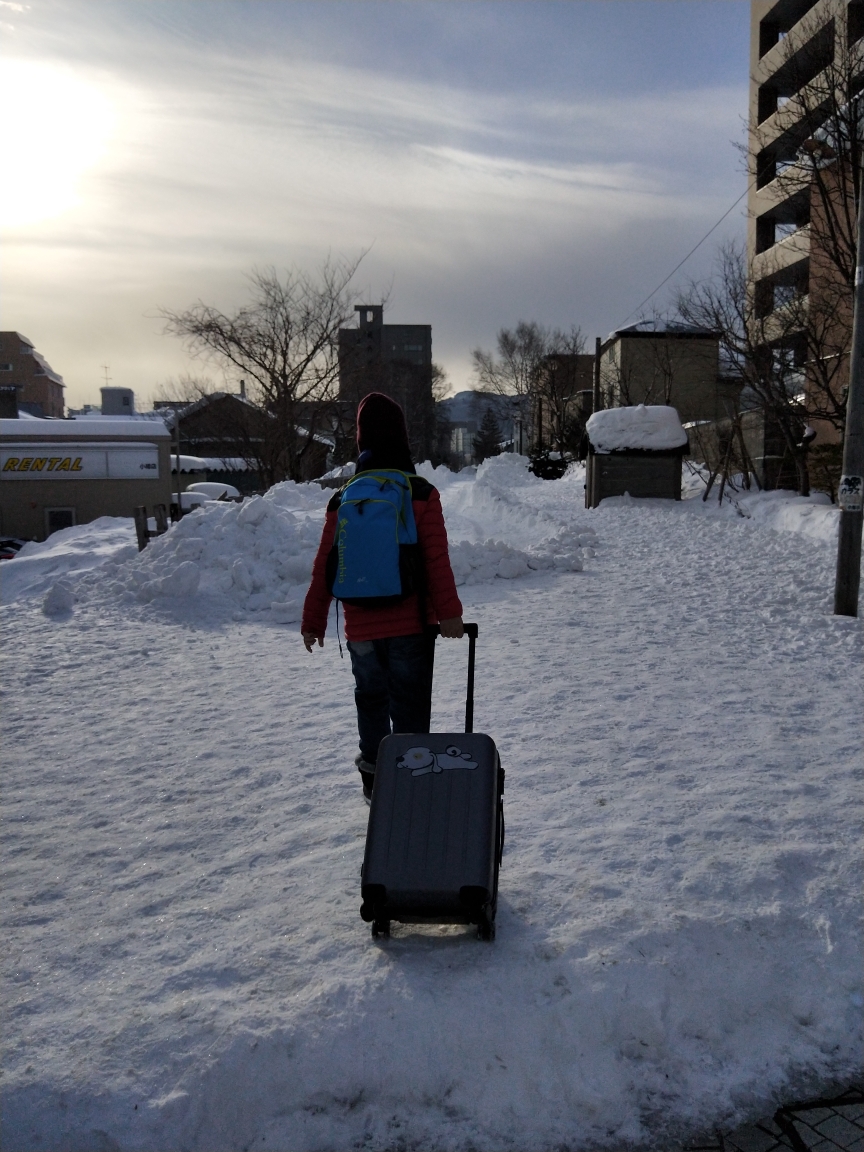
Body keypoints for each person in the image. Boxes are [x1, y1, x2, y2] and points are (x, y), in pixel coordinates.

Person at [301, 392, 464, 801]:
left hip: (360, 629)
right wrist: (449, 615)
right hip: (409, 624)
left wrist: (313, 620)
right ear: (403, 439)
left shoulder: (344, 497)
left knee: (370, 701)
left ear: (361, 442)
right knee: (409, 703)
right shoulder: (420, 491)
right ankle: (410, 786)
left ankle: (375, 783)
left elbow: (325, 564)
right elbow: (435, 560)